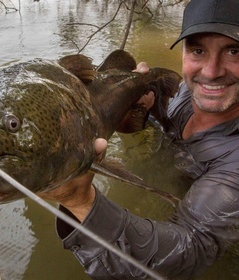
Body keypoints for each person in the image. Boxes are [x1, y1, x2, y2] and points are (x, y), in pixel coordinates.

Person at [41, 0, 239, 279]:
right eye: (198, 50)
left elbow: (189, 249)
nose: (210, 71)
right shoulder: (186, 93)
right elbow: (165, 113)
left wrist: (80, 200)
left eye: (234, 51)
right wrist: (143, 110)